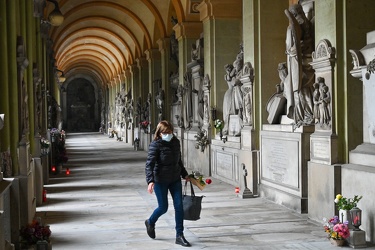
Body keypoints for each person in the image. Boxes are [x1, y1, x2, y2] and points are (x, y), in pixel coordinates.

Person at [145, 120, 191, 247]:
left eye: (170, 132)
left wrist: (184, 174)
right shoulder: (155, 145)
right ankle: (150, 221)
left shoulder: (175, 142)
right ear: (159, 133)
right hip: (160, 180)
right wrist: (150, 181)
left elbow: (179, 161)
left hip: (175, 178)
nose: (168, 134)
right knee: (163, 207)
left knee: (179, 207)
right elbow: (149, 164)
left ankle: (179, 235)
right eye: (165, 132)